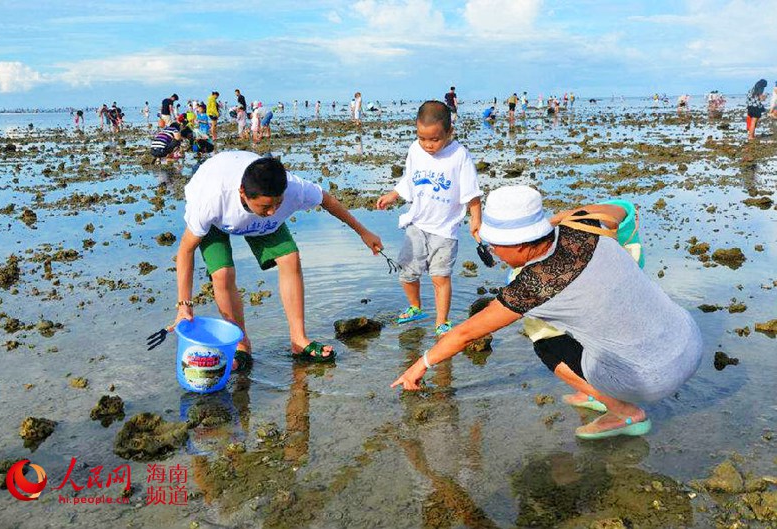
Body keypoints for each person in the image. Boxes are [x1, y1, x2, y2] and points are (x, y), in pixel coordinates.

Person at [391, 185, 703, 440]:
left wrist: (419, 365)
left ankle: (624, 412)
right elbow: (623, 208)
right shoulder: (586, 227)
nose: (494, 254)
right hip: (689, 340)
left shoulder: (535, 284)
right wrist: (557, 220)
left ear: (520, 245)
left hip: (651, 380)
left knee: (544, 342)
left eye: (494, 246)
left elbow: (466, 333)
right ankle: (596, 389)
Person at [173, 152, 384, 368]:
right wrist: (184, 305)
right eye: (266, 206)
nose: (273, 210)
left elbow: (327, 200)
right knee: (222, 274)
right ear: (243, 193)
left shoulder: (292, 187)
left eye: (278, 203)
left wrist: (363, 232)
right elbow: (185, 251)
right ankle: (241, 344)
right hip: (219, 220)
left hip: (259, 221)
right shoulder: (211, 199)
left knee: (290, 258)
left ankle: (299, 340)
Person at [376, 100, 482, 336]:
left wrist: (476, 220)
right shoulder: (415, 149)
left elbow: (471, 192)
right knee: (406, 272)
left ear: (449, 132)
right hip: (417, 224)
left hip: (445, 230)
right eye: (422, 138)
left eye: (435, 139)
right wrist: (394, 194)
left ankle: (441, 321)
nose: (428, 145)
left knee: (440, 277)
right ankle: (416, 307)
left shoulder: (459, 155)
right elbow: (409, 178)